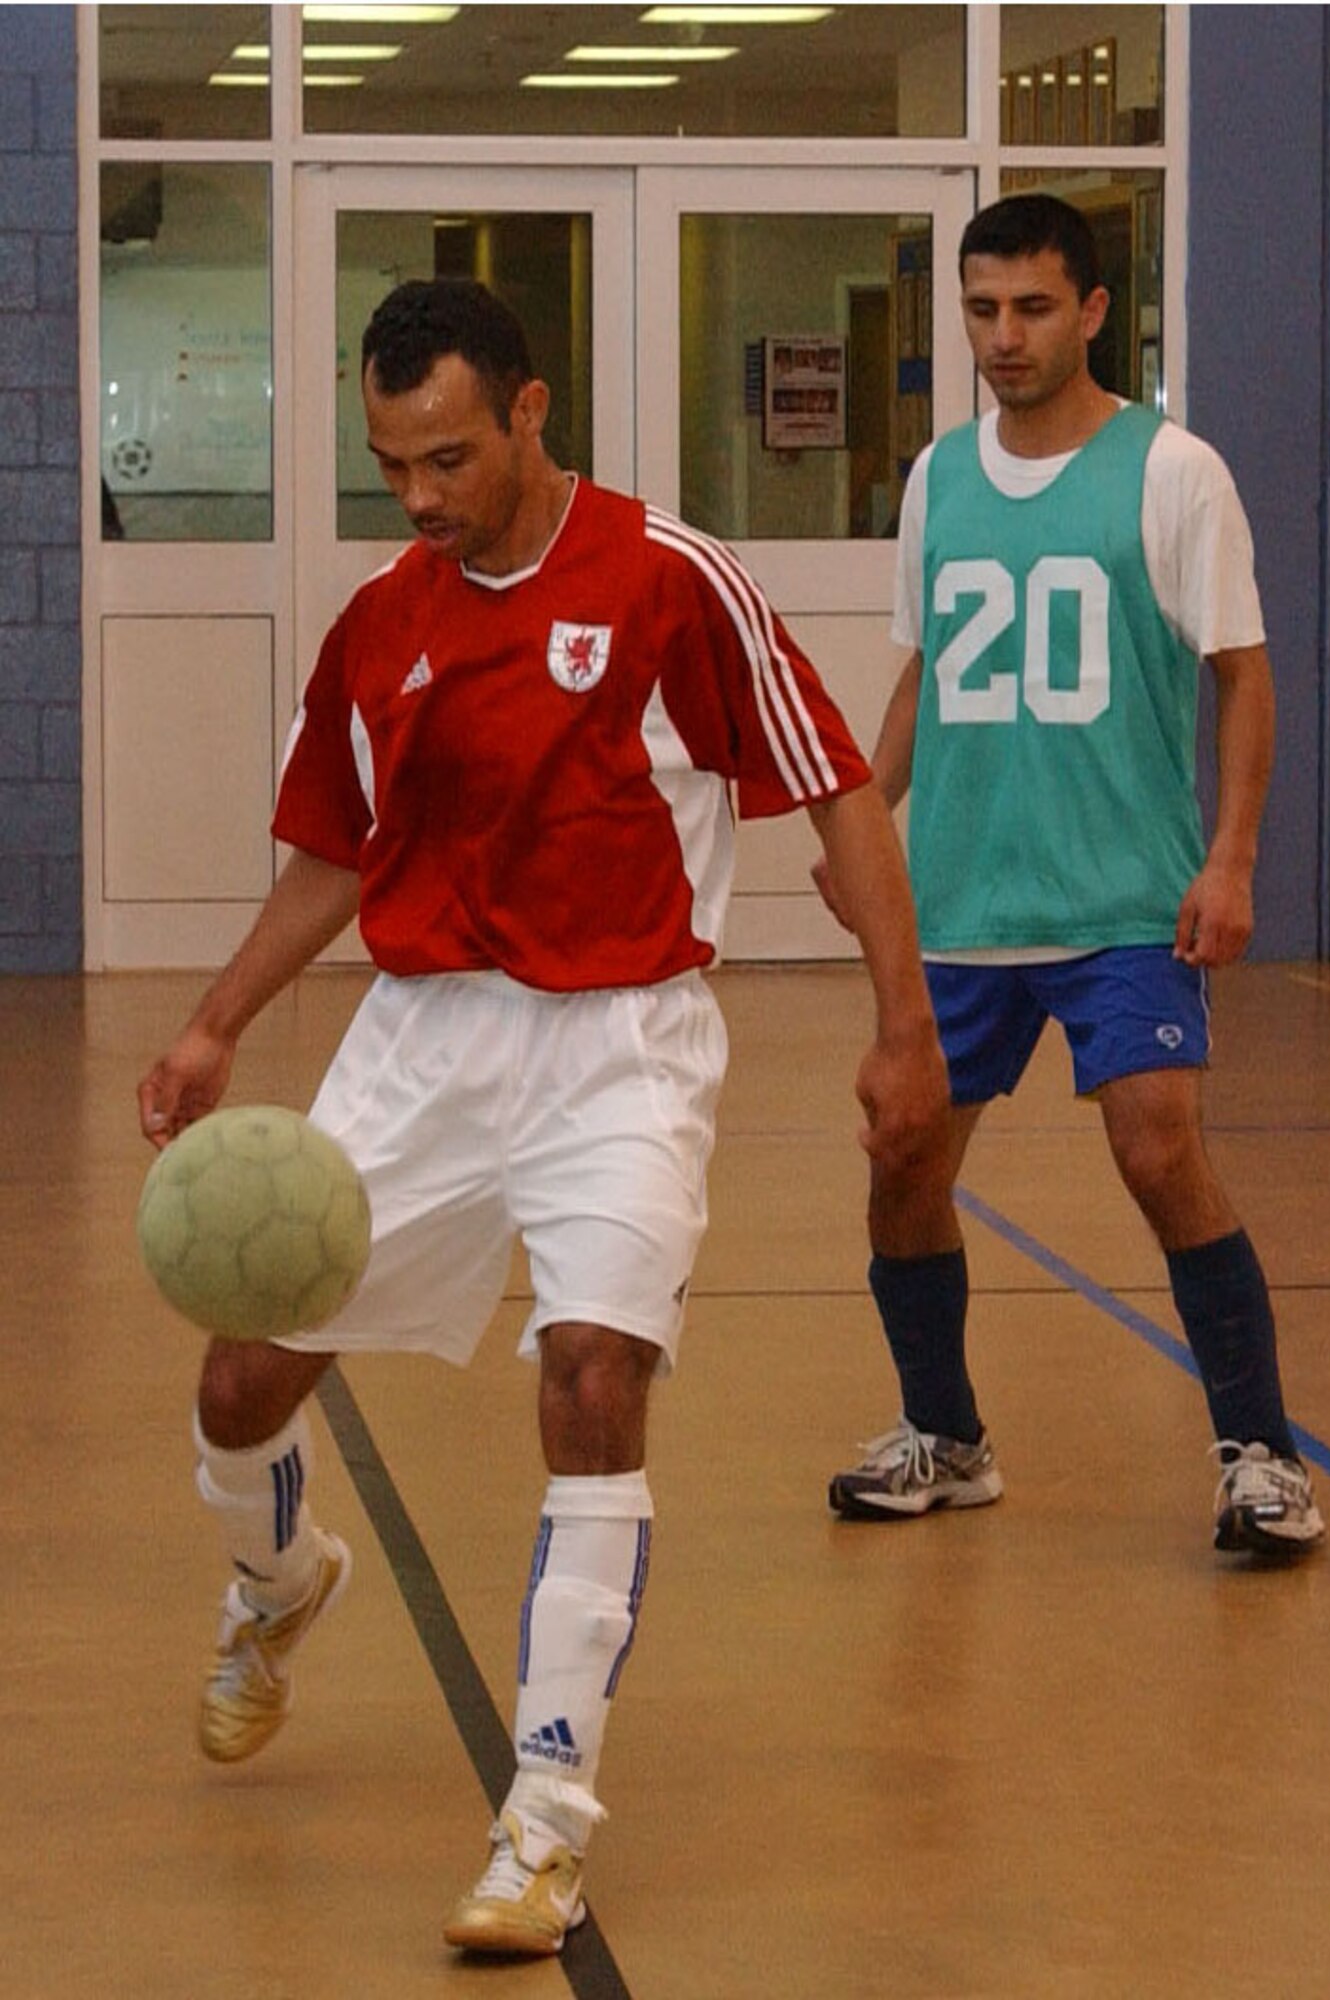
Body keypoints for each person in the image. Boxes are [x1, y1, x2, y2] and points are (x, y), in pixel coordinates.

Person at [137, 277, 948, 1960]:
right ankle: (280, 1589)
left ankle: (545, 1817)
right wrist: (217, 1022)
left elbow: (840, 793)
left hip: (619, 1050)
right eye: (390, 467)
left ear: (528, 410)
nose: (420, 499)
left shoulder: (675, 583)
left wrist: (904, 1026)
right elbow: (334, 855)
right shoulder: (382, 618)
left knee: (592, 1377)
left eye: (443, 457)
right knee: (237, 1382)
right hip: (421, 1044)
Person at [820, 193, 1323, 1559]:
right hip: (962, 900)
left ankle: (1260, 1458)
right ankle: (945, 1436)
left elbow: (1242, 676)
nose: (1002, 335)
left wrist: (1228, 859)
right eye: (980, 309)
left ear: (1093, 311)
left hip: (1121, 902)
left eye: (1030, 308)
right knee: (903, 1169)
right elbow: (930, 669)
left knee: (1158, 1149)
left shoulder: (1172, 472)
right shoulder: (940, 478)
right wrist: (866, 815)